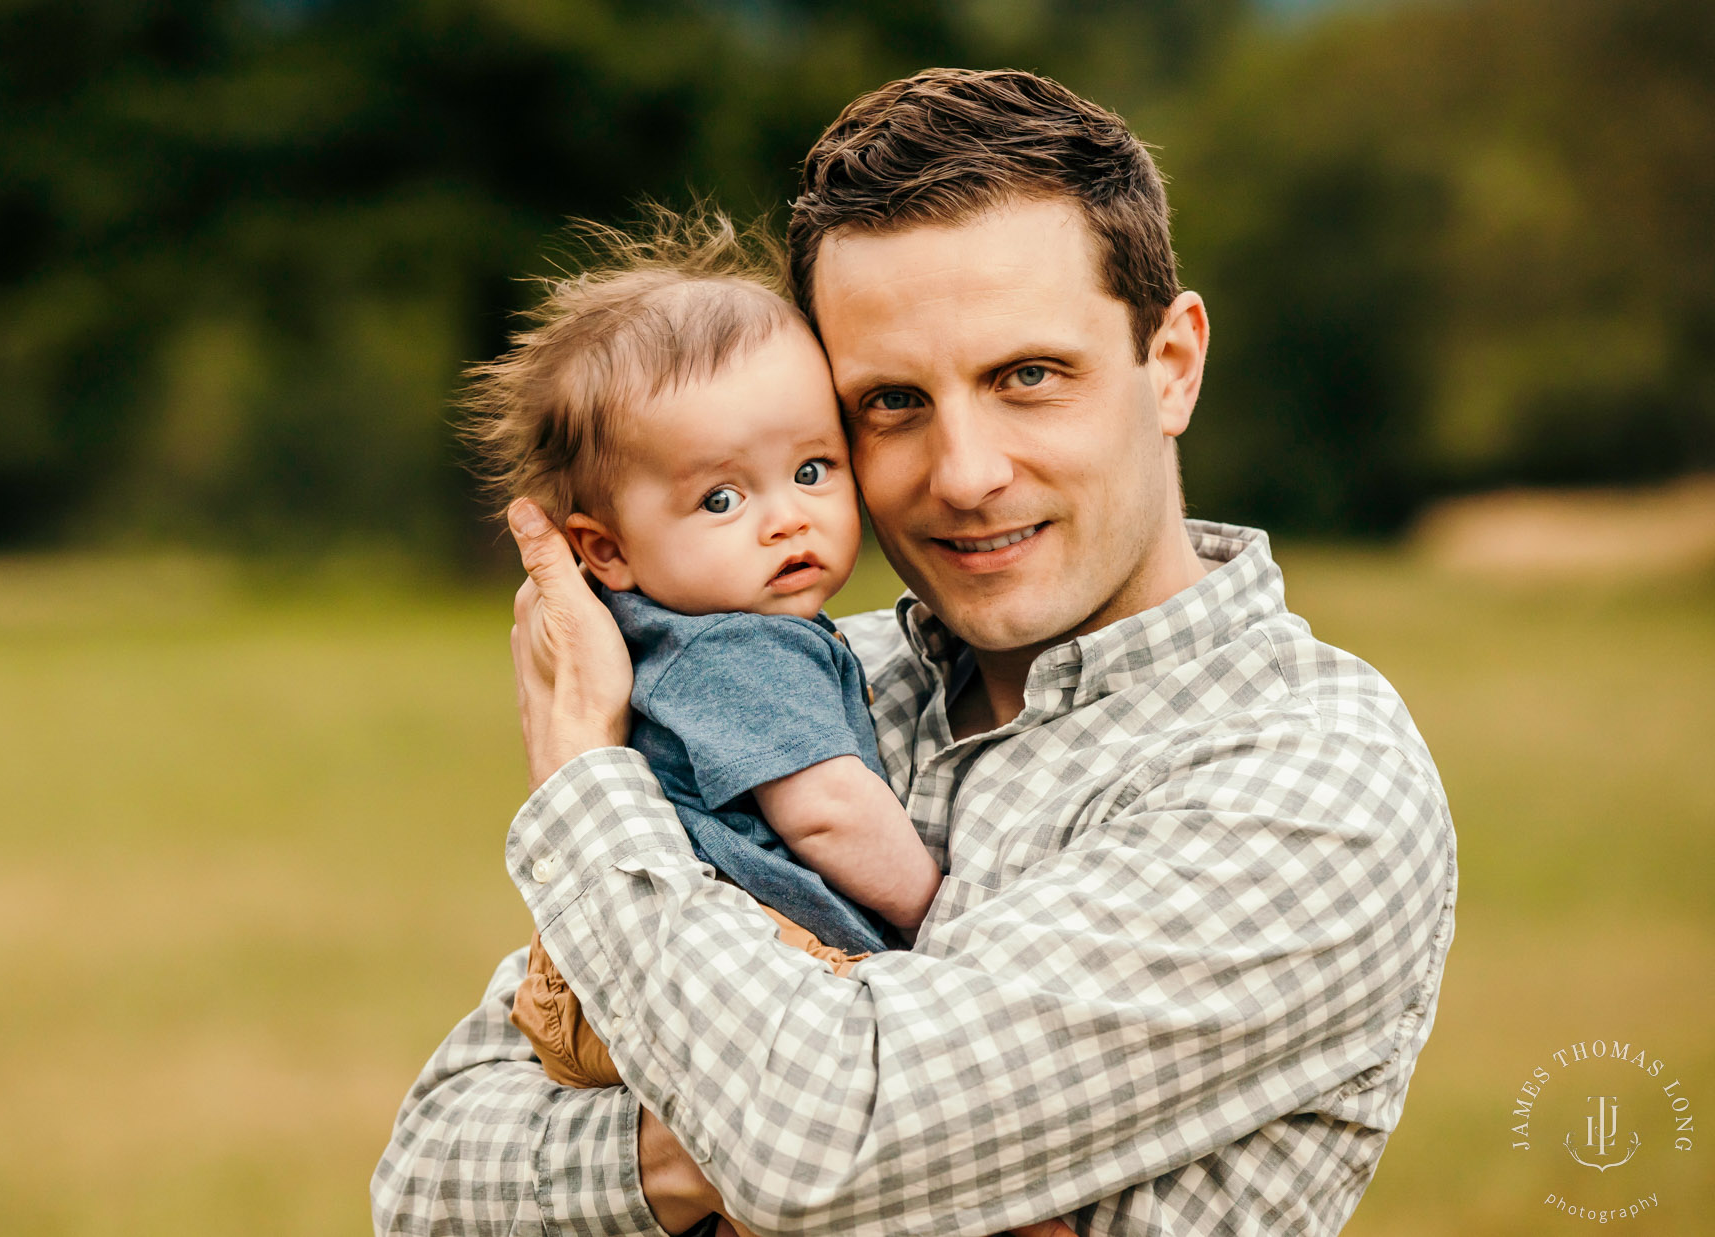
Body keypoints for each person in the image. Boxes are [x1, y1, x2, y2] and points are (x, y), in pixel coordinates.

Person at [372, 68, 1456, 1236]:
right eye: (891, 402)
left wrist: (589, 784)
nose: (964, 473)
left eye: (1026, 377)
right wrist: (717, 1141)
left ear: (1171, 363)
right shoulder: (811, 675)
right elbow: (429, 1181)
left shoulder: (1310, 779)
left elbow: (815, 1147)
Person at [454, 214, 942, 1091]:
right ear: (605, 551)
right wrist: (941, 912)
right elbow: (827, 811)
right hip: (742, 965)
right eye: (721, 497)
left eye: (811, 469)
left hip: (598, 980)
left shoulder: (667, 638)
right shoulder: (742, 649)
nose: (786, 517)